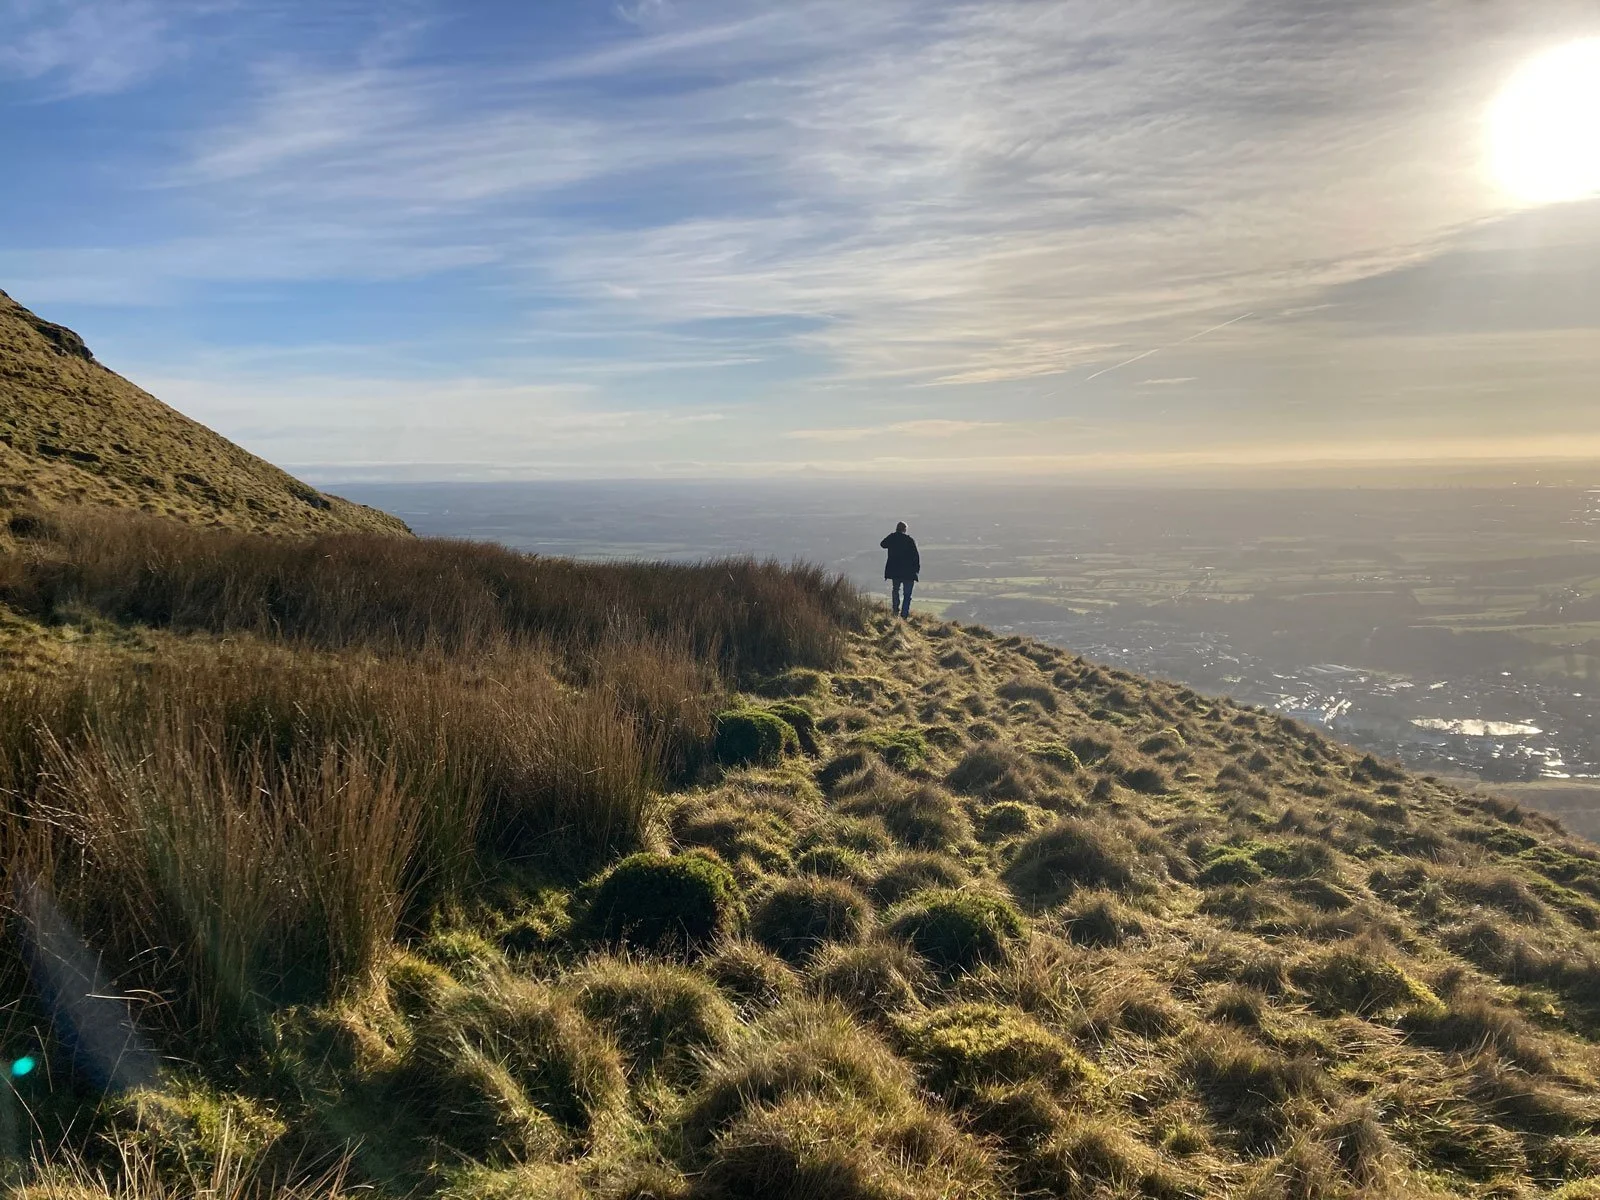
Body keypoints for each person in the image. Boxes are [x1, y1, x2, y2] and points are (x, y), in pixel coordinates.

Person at [880, 521, 920, 619]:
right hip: (909, 573)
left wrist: (892, 535)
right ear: (905, 530)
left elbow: (883, 544)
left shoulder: (892, 538)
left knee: (895, 590)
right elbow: (916, 556)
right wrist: (916, 570)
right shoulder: (909, 540)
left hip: (895, 571)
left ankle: (895, 611)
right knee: (907, 595)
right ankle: (904, 615)